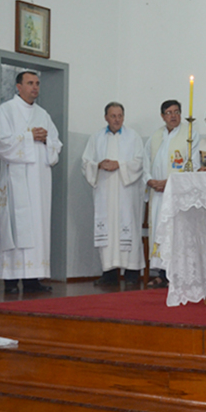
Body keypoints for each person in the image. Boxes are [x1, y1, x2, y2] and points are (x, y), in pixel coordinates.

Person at [0, 71, 62, 294]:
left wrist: (47, 139)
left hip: (39, 181)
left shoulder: (43, 114)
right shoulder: (5, 111)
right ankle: (11, 280)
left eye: (37, 83)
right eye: (30, 83)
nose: (35, 87)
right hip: (16, 178)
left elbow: (56, 144)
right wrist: (29, 136)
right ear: (18, 86)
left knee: (38, 225)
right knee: (15, 225)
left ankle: (32, 279)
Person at [82, 102, 146, 287]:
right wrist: (98, 165)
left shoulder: (133, 137)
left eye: (120, 116)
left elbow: (140, 161)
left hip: (127, 192)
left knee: (129, 227)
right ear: (106, 117)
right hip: (105, 192)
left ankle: (132, 271)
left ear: (123, 117)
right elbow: (86, 162)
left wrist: (120, 165)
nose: (117, 119)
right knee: (108, 229)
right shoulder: (96, 138)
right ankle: (109, 272)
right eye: (113, 116)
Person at [144, 99, 196, 287]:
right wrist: (149, 180)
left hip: (176, 195)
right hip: (157, 194)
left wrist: (170, 183)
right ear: (162, 116)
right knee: (159, 230)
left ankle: (176, 274)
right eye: (169, 112)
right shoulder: (156, 136)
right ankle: (161, 273)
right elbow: (145, 162)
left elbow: (193, 164)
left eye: (176, 112)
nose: (173, 116)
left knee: (175, 232)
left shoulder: (190, 135)